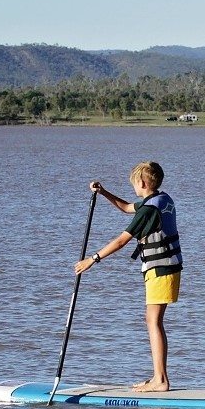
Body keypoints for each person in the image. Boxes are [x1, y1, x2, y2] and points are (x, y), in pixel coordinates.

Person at [74, 161, 183, 392]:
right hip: (166, 267)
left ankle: (160, 380)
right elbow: (125, 207)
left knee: (154, 321)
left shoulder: (149, 210)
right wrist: (103, 192)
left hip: (161, 269)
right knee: (152, 320)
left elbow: (122, 241)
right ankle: (158, 377)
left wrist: (91, 260)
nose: (133, 187)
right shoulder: (162, 199)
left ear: (142, 183)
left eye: (134, 183)